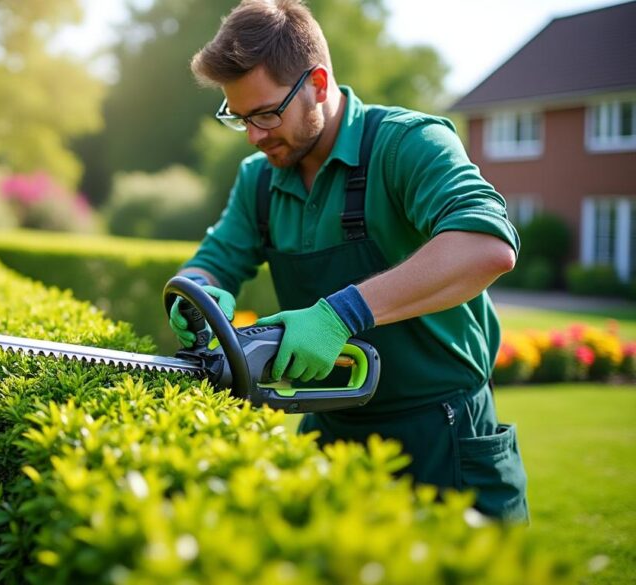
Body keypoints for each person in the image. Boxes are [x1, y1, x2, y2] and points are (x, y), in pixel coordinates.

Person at [169, 0, 528, 522]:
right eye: (240, 118)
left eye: (267, 113)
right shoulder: (260, 179)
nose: (254, 135)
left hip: (443, 437)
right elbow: (213, 262)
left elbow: (485, 246)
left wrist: (342, 314)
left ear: (317, 83)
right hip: (330, 437)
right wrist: (201, 291)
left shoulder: (409, 144)